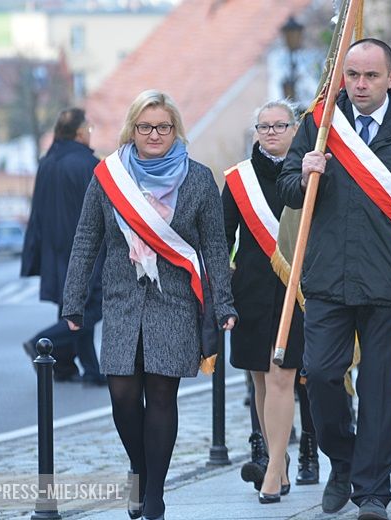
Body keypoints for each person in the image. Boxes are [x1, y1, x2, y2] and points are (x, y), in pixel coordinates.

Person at [277, 38, 391, 520]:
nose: (360, 84)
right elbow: (289, 189)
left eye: (371, 76)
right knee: (323, 377)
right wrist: (304, 170)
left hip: (389, 281)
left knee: (376, 388)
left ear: (390, 78)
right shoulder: (319, 124)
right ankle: (343, 459)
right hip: (328, 277)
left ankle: (373, 492)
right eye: (352, 75)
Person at [61, 90, 237, 520]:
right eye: (145, 127)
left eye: (162, 126)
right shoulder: (108, 176)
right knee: (122, 395)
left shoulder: (197, 178)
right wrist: (73, 299)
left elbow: (215, 246)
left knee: (161, 394)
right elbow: (87, 238)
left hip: (175, 301)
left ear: (175, 129)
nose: (154, 134)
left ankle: (153, 492)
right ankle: (139, 471)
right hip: (122, 300)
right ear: (132, 131)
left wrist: (224, 304)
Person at [222, 100, 316, 502]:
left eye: (280, 125)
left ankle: (274, 471)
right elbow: (222, 239)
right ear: (256, 132)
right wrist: (223, 292)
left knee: (282, 376)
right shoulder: (238, 179)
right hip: (253, 290)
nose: (272, 132)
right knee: (260, 379)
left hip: (297, 289)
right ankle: (279, 463)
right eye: (264, 126)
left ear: (295, 129)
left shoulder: (310, 171)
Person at [20, 107, 105, 386]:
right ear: (80, 133)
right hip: (82, 249)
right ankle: (42, 342)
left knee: (70, 305)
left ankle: (71, 367)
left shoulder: (47, 162)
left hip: (52, 250)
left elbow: (37, 210)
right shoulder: (87, 164)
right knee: (89, 308)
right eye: (89, 129)